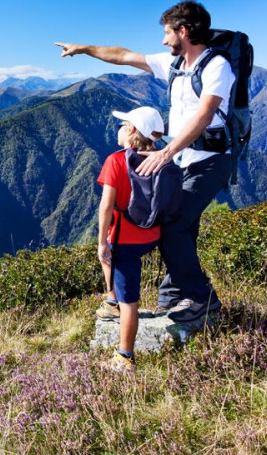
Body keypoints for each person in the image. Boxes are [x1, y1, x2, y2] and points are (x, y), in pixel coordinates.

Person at [55, 0, 233, 322]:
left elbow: (206, 114)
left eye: (167, 33)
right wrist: (83, 49)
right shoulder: (175, 65)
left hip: (210, 161)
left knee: (174, 225)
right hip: (182, 161)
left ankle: (202, 299)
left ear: (184, 30)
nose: (164, 41)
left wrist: (166, 151)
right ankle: (173, 294)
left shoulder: (217, 67)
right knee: (179, 223)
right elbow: (124, 56)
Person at [96, 107, 164, 372]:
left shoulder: (116, 161)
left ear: (133, 131)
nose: (120, 127)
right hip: (153, 234)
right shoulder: (161, 157)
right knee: (111, 259)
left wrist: (102, 242)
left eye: (124, 124)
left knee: (130, 301)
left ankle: (125, 357)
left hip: (125, 239)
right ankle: (112, 299)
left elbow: (105, 206)